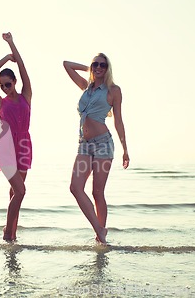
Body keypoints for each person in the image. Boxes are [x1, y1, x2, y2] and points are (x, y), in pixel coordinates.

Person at [63, 53, 129, 245]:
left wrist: (125, 149)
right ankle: (99, 230)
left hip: (103, 144)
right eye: (95, 64)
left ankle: (100, 237)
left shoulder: (113, 90)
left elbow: (118, 120)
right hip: (84, 144)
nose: (99, 67)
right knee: (75, 187)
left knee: (97, 192)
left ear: (108, 68)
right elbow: (66, 65)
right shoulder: (86, 87)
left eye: (103, 65)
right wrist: (90, 70)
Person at [0, 32, 32, 241]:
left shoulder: (26, 97)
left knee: (15, 193)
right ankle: (7, 232)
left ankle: (13, 235)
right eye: (2, 85)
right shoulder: (0, 103)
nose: (4, 88)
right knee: (21, 191)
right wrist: (5, 56)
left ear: (14, 81)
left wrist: (13, 45)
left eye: (8, 84)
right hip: (6, 148)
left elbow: (23, 69)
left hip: (24, 146)